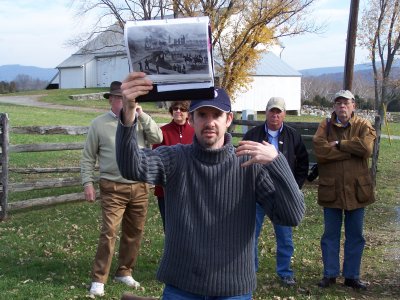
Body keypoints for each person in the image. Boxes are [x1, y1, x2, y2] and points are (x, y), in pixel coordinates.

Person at [115, 71, 305, 299]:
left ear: (229, 119)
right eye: (203, 114)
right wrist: (127, 112)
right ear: (192, 119)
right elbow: (131, 167)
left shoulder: (249, 164)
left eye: (217, 114)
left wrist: (277, 162)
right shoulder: (174, 158)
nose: (210, 122)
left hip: (233, 290)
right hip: (181, 287)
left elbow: (292, 216)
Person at [81, 81, 163, 297]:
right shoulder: (98, 124)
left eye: (128, 98)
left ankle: (124, 271)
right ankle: (99, 279)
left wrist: (142, 115)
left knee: (134, 232)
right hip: (112, 186)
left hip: (140, 186)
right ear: (111, 100)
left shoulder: (139, 121)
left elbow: (158, 138)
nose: (125, 102)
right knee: (109, 232)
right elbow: (88, 156)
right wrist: (87, 183)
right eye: (120, 98)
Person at [313, 90, 376, 290]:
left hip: (357, 190)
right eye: (338, 103)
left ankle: (352, 276)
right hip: (331, 189)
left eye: (346, 103)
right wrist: (350, 152)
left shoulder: (363, 125)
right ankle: (330, 275)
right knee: (330, 235)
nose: (342, 106)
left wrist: (339, 144)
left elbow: (366, 150)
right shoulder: (325, 125)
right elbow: (321, 151)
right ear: (334, 106)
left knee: (355, 235)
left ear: (353, 106)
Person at [243, 97, 309, 286]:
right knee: (250, 235)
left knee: (285, 237)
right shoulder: (253, 134)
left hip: (282, 196)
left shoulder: (292, 135)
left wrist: (293, 188)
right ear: (266, 112)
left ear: (284, 114)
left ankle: (285, 272)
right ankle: (250, 271)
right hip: (256, 194)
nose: (275, 115)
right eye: (272, 111)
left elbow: (302, 162)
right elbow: (241, 160)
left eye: (279, 111)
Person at [152, 100, 194, 230]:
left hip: (190, 188)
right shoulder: (162, 132)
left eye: (182, 109)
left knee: (191, 226)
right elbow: (156, 159)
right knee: (170, 227)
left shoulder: (195, 132)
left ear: (188, 113)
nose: (178, 111)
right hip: (166, 189)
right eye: (175, 109)